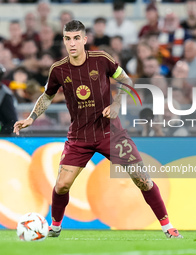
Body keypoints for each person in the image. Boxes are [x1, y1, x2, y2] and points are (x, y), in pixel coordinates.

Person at [13, 20, 183, 239]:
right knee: (62, 185)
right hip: (79, 136)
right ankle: (55, 226)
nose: (72, 43)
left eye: (76, 38)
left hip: (110, 132)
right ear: (63, 41)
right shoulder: (58, 69)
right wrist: (31, 117)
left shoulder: (101, 60)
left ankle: (167, 227)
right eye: (67, 38)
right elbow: (47, 96)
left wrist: (117, 105)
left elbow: (126, 80)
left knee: (141, 178)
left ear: (84, 40)